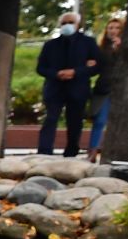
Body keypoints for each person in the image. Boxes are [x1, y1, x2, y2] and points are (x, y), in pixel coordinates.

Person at [34, 11, 102, 157]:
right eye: (64, 23)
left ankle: (71, 151)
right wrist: (57, 74)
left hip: (78, 88)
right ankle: (44, 151)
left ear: (78, 25)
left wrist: (75, 72)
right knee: (51, 119)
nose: (67, 25)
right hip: (55, 88)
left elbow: (96, 66)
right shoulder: (50, 45)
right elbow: (41, 68)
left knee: (75, 121)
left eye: (70, 22)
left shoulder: (88, 43)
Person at [88, 16, 122, 162]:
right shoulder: (101, 49)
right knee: (100, 120)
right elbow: (97, 69)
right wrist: (89, 65)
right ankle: (93, 151)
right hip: (104, 88)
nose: (113, 31)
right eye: (110, 28)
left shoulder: (127, 46)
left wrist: (120, 49)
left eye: (116, 28)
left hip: (122, 89)